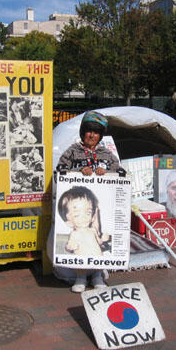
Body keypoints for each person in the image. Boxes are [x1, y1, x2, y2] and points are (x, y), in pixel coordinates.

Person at [56, 110, 125, 293]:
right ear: (83, 132)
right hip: (79, 206)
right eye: (89, 131)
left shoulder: (107, 154)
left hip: (95, 206)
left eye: (96, 132)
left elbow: (120, 173)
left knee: (96, 245)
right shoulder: (72, 151)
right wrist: (79, 171)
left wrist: (107, 173)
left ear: (101, 135)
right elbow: (60, 172)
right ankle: (80, 276)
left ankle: (97, 275)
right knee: (81, 248)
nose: (92, 135)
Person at [58, 186, 110, 257]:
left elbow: (99, 242)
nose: (84, 217)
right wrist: (70, 247)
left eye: (88, 213)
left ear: (92, 217)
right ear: (69, 222)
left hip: (99, 260)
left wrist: (103, 239)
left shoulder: (93, 230)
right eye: (77, 215)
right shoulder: (74, 234)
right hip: (84, 264)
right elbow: (69, 247)